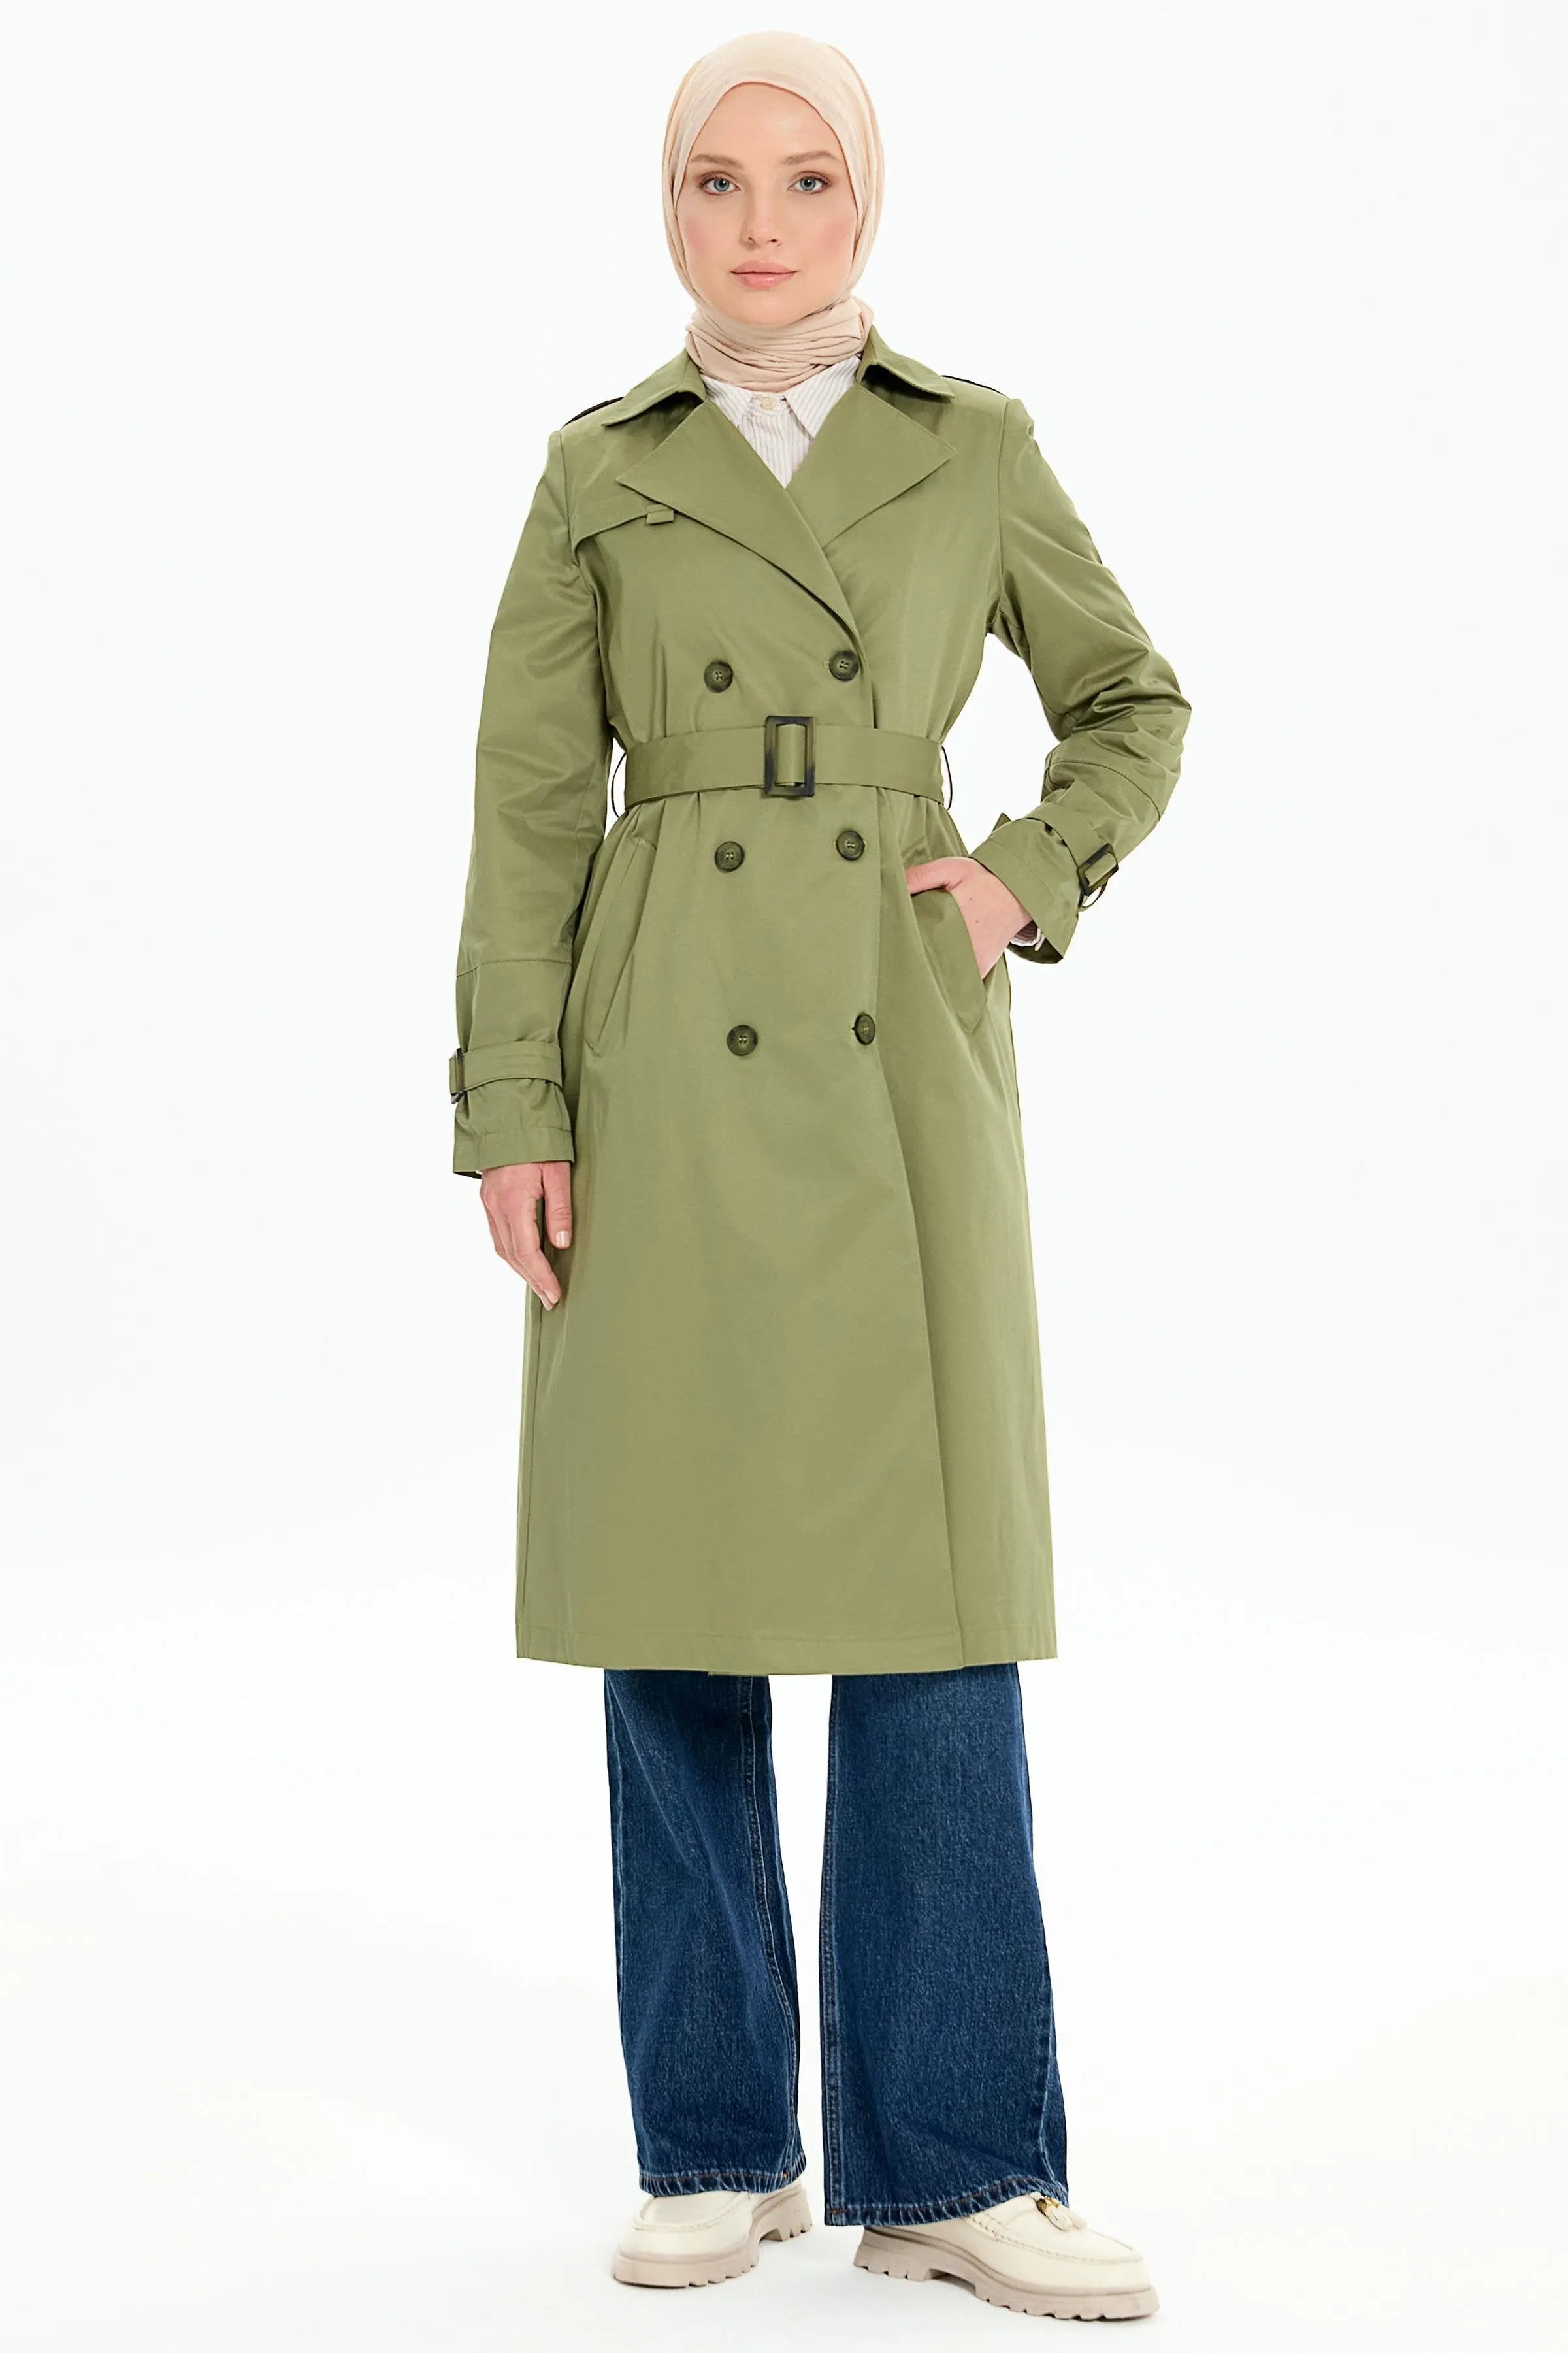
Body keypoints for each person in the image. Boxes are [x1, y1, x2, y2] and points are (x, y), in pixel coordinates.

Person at [448, 28, 1188, 2325]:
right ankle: (717, 2142)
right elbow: (529, 810)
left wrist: (1022, 879)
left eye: (805, 182)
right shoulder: (598, 468)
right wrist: (514, 1103)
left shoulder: (976, 445)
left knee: (935, 1601)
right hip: (661, 1048)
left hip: (891, 1047)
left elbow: (1133, 702)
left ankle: (958, 2161)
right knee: (668, 1583)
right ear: (666, 206)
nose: (759, 226)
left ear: (868, 203)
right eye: (715, 181)